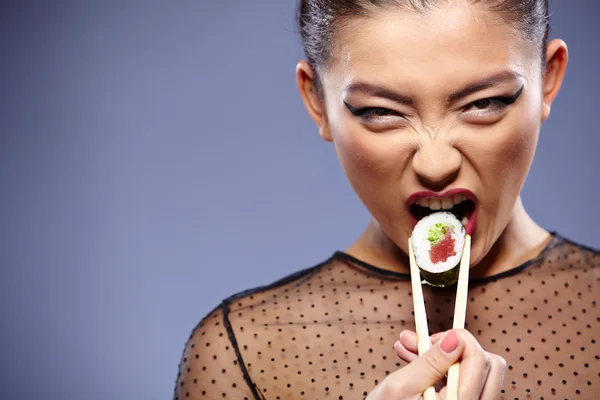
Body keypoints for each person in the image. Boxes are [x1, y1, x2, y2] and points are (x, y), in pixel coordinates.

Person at [173, 0, 599, 398]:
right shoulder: (242, 353)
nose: (435, 164)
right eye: (379, 111)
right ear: (317, 101)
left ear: (549, 78)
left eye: (484, 102)